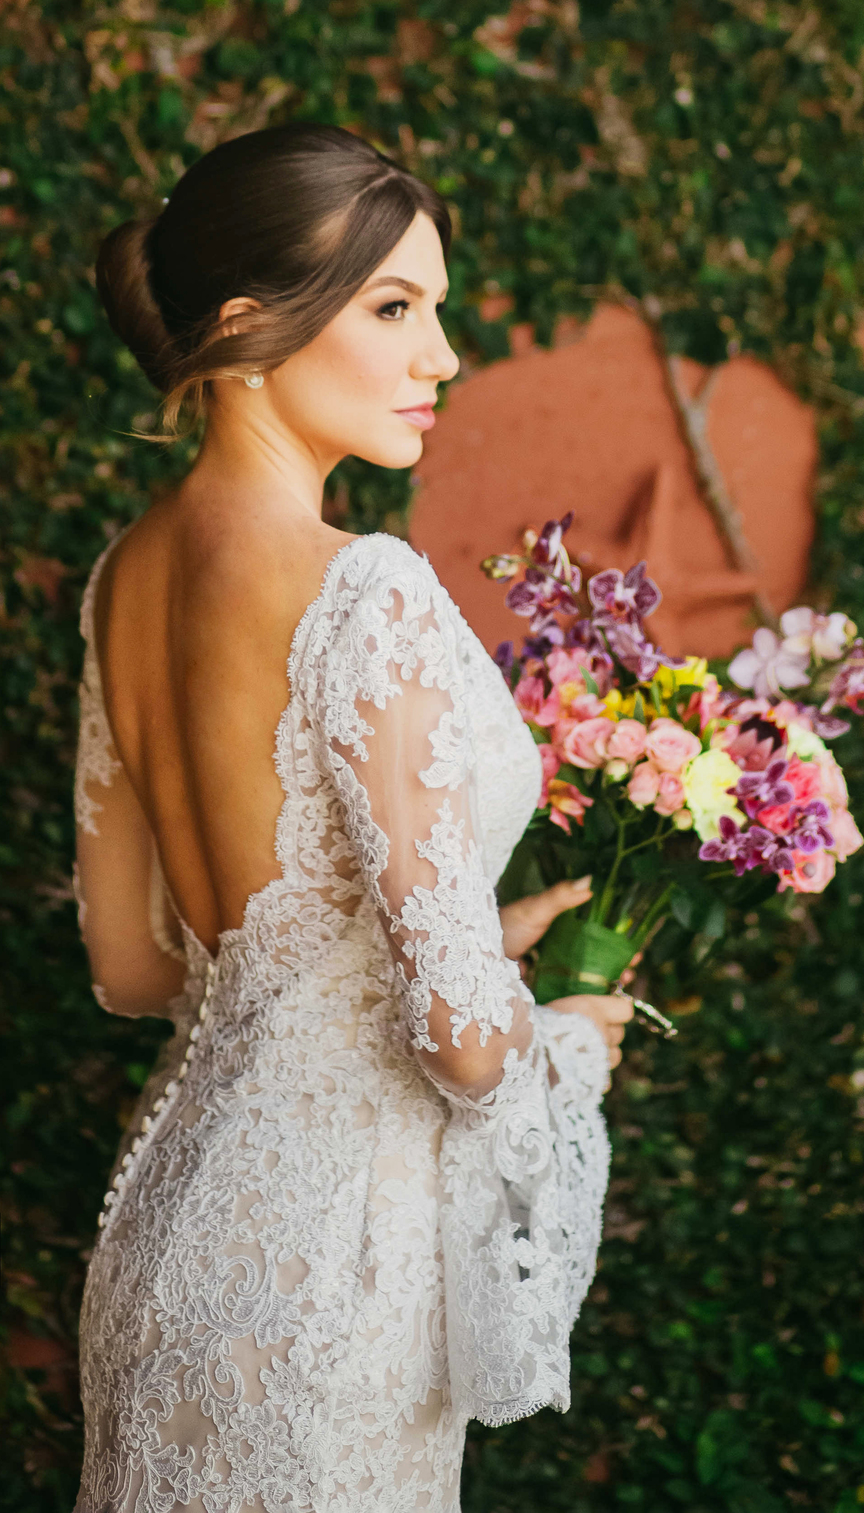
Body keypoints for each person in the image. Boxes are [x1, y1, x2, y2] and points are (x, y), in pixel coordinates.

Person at [72, 122, 635, 1512]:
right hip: (333, 1272)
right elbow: (460, 1049)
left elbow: (136, 969)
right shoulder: (363, 588)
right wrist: (565, 1035)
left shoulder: (120, 578)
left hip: (166, 1244)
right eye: (395, 309)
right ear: (249, 325)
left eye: (433, 311)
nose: (440, 355)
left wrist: (469, 936)